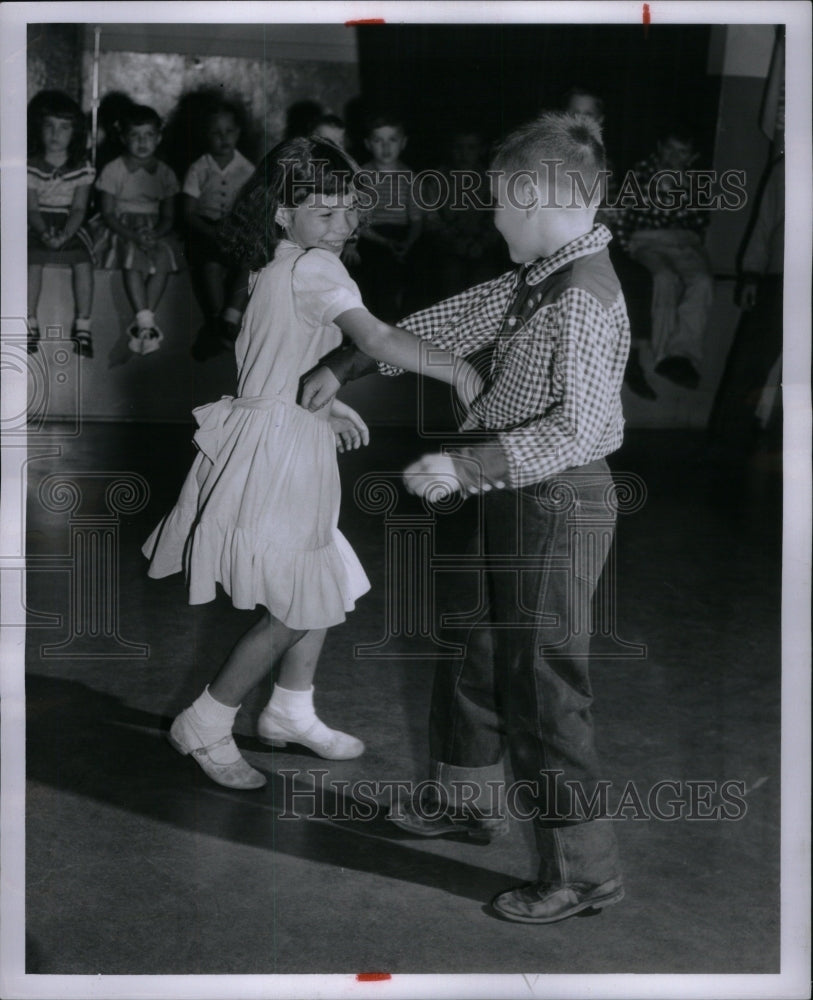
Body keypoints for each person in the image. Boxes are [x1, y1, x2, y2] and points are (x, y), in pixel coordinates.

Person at [302, 112, 629, 925]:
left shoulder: (581, 295)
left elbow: (582, 427)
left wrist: (469, 463)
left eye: (496, 204)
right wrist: (345, 363)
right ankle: (465, 802)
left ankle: (583, 873)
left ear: (535, 199)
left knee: (544, 684)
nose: (489, 218)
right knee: (476, 647)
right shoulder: (539, 277)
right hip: (511, 492)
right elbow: (448, 321)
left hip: (555, 496)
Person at [141, 137, 482, 791]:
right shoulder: (319, 269)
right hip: (277, 456)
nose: (344, 224)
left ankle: (290, 710)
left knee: (314, 579)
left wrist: (321, 408)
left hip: (272, 432)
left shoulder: (272, 262)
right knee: (296, 603)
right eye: (324, 212)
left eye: (350, 208)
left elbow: (277, 359)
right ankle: (206, 721)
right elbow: (375, 338)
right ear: (280, 212)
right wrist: (457, 368)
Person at [615, 126, 713, 390]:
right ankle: (663, 356)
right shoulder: (642, 172)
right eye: (669, 150)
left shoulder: (695, 180)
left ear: (691, 157)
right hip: (648, 240)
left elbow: (701, 221)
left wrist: (684, 191)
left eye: (681, 153)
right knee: (664, 278)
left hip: (683, 242)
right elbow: (626, 217)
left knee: (702, 281)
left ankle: (682, 354)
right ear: (660, 149)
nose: (673, 158)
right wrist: (629, 248)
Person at [707, 150, 784, 460]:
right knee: (750, 364)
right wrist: (751, 273)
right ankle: (725, 450)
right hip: (781, 278)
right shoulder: (788, 167)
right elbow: (765, 221)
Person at [94, 103, 182, 355]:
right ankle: (145, 322)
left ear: (159, 137)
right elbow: (108, 212)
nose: (142, 142)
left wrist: (157, 232)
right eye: (135, 135)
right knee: (132, 256)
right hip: (120, 226)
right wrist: (132, 234)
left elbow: (168, 215)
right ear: (123, 138)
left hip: (154, 226)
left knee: (164, 258)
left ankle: (145, 322)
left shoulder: (165, 172)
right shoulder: (114, 169)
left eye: (149, 135)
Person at [182, 98, 255, 360]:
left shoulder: (247, 169)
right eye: (216, 132)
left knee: (249, 263)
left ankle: (231, 316)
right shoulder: (199, 168)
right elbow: (188, 213)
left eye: (229, 131)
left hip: (237, 228)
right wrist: (212, 232)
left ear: (238, 133)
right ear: (205, 135)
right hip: (206, 228)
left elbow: (254, 207)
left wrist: (240, 230)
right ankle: (216, 321)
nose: (223, 138)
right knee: (210, 266)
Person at [27, 90, 96, 358]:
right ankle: (30, 323)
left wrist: (66, 234)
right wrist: (44, 233)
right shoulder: (31, 166)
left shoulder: (82, 166)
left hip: (70, 222)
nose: (56, 134)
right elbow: (31, 207)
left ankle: (83, 326)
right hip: (39, 220)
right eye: (49, 126)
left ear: (75, 132)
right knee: (31, 260)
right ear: (38, 128)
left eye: (64, 127)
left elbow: (79, 207)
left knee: (83, 261)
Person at [355, 112, 423, 321]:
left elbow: (417, 220)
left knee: (418, 271)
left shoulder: (410, 177)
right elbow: (359, 221)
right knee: (378, 273)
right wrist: (385, 242)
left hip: (402, 236)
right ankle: (382, 322)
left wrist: (408, 243)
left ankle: (406, 323)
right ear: (367, 144)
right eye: (378, 140)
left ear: (403, 143)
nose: (386, 147)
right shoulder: (362, 176)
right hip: (372, 236)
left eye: (392, 140)